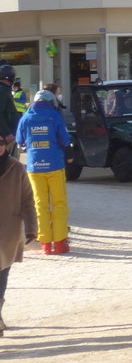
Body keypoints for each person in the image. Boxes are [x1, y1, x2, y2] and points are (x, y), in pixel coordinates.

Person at [17, 89, 74, 255]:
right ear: (51, 102)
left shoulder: (25, 118)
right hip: (55, 165)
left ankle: (46, 244)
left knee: (39, 204)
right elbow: (64, 139)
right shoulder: (54, 116)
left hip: (34, 167)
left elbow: (20, 141)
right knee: (59, 203)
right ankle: (60, 242)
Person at [0, 137, 37, 336]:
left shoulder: (16, 169)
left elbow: (27, 200)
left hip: (8, 230)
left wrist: (32, 228)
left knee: (2, 273)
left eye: (0, 144)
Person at [0, 65, 20, 152]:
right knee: (8, 164)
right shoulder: (2, 91)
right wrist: (7, 133)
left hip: (8, 136)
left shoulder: (5, 90)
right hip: (5, 138)